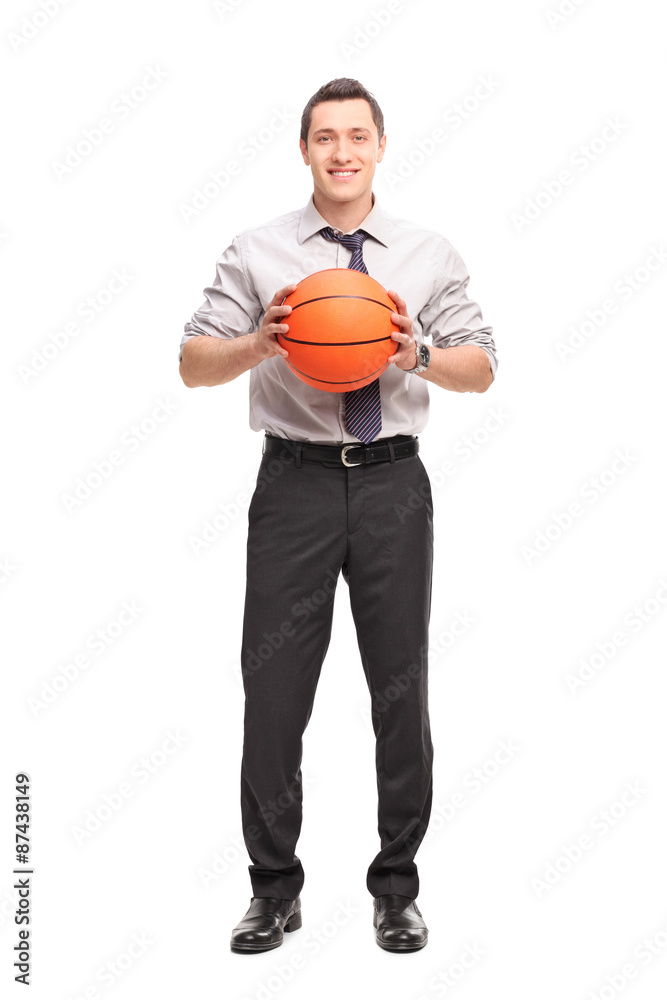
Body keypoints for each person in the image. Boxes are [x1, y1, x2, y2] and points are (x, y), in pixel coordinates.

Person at [179, 77, 498, 954]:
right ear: (304, 150)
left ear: (380, 147)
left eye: (358, 136)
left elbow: (481, 366)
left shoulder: (427, 252)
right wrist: (260, 341)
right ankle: (272, 889)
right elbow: (192, 364)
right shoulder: (257, 250)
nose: (342, 152)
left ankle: (395, 890)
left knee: (400, 690)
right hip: (295, 485)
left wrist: (414, 352)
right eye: (325, 137)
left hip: (393, 484)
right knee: (273, 694)